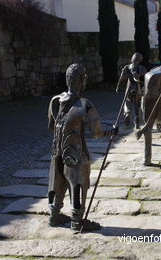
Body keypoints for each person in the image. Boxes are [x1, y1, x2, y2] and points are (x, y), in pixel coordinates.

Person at [47, 64, 118, 231]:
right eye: (84, 77)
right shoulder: (85, 105)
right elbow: (96, 132)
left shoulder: (55, 101)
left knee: (56, 182)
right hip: (76, 151)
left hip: (56, 150)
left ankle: (54, 215)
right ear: (81, 81)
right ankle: (77, 221)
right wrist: (112, 132)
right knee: (78, 183)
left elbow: (51, 126)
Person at [116, 53, 147, 129]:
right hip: (138, 88)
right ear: (139, 60)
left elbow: (121, 78)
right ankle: (137, 123)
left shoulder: (127, 67)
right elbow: (146, 79)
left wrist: (118, 87)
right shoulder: (142, 68)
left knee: (126, 103)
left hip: (129, 88)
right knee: (137, 106)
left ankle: (127, 113)